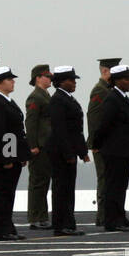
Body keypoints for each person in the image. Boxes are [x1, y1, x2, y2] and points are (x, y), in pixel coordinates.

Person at [90, 64, 129, 232]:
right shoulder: (112, 99)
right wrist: (97, 144)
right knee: (113, 186)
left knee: (121, 186)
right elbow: (104, 124)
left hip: (123, 150)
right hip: (114, 150)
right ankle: (112, 220)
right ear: (117, 81)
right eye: (127, 79)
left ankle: (120, 216)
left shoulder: (122, 97)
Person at [0, 65, 29, 241]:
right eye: (9, 79)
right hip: (3, 157)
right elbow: (1, 133)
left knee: (8, 194)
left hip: (13, 154)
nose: (13, 82)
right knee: (1, 194)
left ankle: (8, 227)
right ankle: (1, 230)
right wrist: (7, 158)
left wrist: (22, 155)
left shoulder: (8, 101)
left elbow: (17, 131)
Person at [46, 65, 88, 236]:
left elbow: (76, 130)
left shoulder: (68, 99)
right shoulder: (58, 100)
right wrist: (68, 153)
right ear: (62, 82)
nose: (74, 83)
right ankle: (61, 224)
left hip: (69, 150)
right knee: (61, 189)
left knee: (68, 189)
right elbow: (60, 129)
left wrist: (82, 151)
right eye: (71, 80)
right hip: (61, 152)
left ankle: (69, 223)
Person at [88, 57, 120, 230]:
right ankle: (102, 215)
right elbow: (93, 117)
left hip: (109, 142)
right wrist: (95, 142)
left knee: (110, 178)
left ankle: (108, 214)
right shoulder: (99, 90)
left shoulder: (109, 89)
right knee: (104, 179)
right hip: (101, 143)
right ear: (105, 71)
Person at [24, 64, 53, 230]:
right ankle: (36, 217)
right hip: (39, 146)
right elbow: (31, 122)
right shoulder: (35, 97)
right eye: (47, 76)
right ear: (38, 78)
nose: (50, 79)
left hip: (46, 145)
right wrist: (33, 145)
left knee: (43, 182)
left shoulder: (45, 95)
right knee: (38, 183)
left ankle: (42, 216)